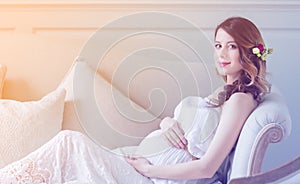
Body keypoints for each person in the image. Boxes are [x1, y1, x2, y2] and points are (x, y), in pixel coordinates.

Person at [0, 16, 272, 184]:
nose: (221, 53)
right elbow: (195, 137)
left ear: (248, 51)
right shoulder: (226, 94)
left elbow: (207, 167)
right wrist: (167, 124)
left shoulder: (240, 100)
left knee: (68, 142)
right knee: (66, 154)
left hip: (151, 177)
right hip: (147, 168)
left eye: (231, 46)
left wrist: (147, 167)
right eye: (218, 45)